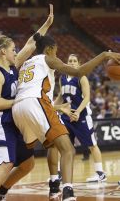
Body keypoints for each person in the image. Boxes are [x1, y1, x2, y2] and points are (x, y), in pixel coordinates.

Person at [12, 33, 120, 201]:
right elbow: (79, 71)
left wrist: (57, 107)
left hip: (18, 108)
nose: (57, 56)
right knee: (68, 149)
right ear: (49, 50)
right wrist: (104, 55)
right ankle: (68, 192)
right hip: (36, 103)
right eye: (55, 51)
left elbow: (29, 44)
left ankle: (52, 185)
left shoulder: (26, 63)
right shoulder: (48, 59)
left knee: (50, 146)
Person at [0, 4, 54, 201]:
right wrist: (18, 100)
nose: (16, 52)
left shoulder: (14, 66)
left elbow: (31, 43)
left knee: (27, 164)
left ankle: (1, 192)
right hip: (1, 123)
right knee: (6, 164)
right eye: (13, 49)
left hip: (14, 123)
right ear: (3, 51)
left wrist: (46, 25)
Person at [54, 53, 106, 183]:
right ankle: (61, 173)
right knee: (64, 146)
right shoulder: (62, 78)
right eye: (69, 60)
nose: (71, 63)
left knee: (92, 145)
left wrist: (77, 112)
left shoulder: (81, 77)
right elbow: (61, 95)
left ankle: (100, 173)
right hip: (67, 117)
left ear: (79, 64)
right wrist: (54, 107)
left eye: (74, 61)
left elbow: (87, 97)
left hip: (82, 116)